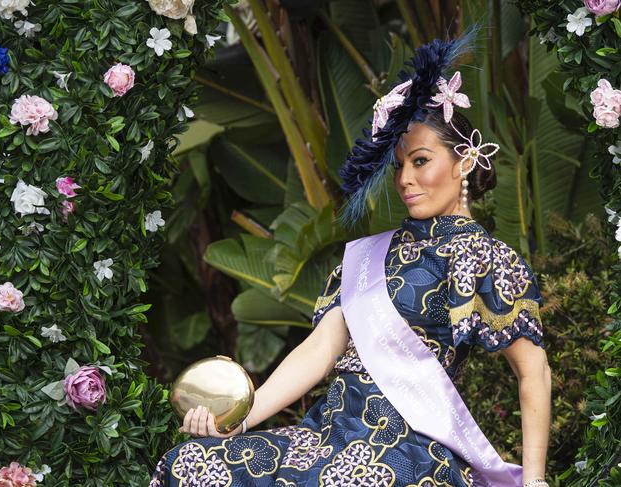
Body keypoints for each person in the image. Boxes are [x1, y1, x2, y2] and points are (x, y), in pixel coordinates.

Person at [149, 31, 552, 487]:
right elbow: (319, 350)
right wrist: (240, 421)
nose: (405, 178)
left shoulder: (490, 258)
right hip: (331, 433)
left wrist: (533, 482)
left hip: (409, 449)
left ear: (464, 161)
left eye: (420, 161)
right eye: (399, 165)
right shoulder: (369, 255)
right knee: (194, 462)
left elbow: (532, 370)